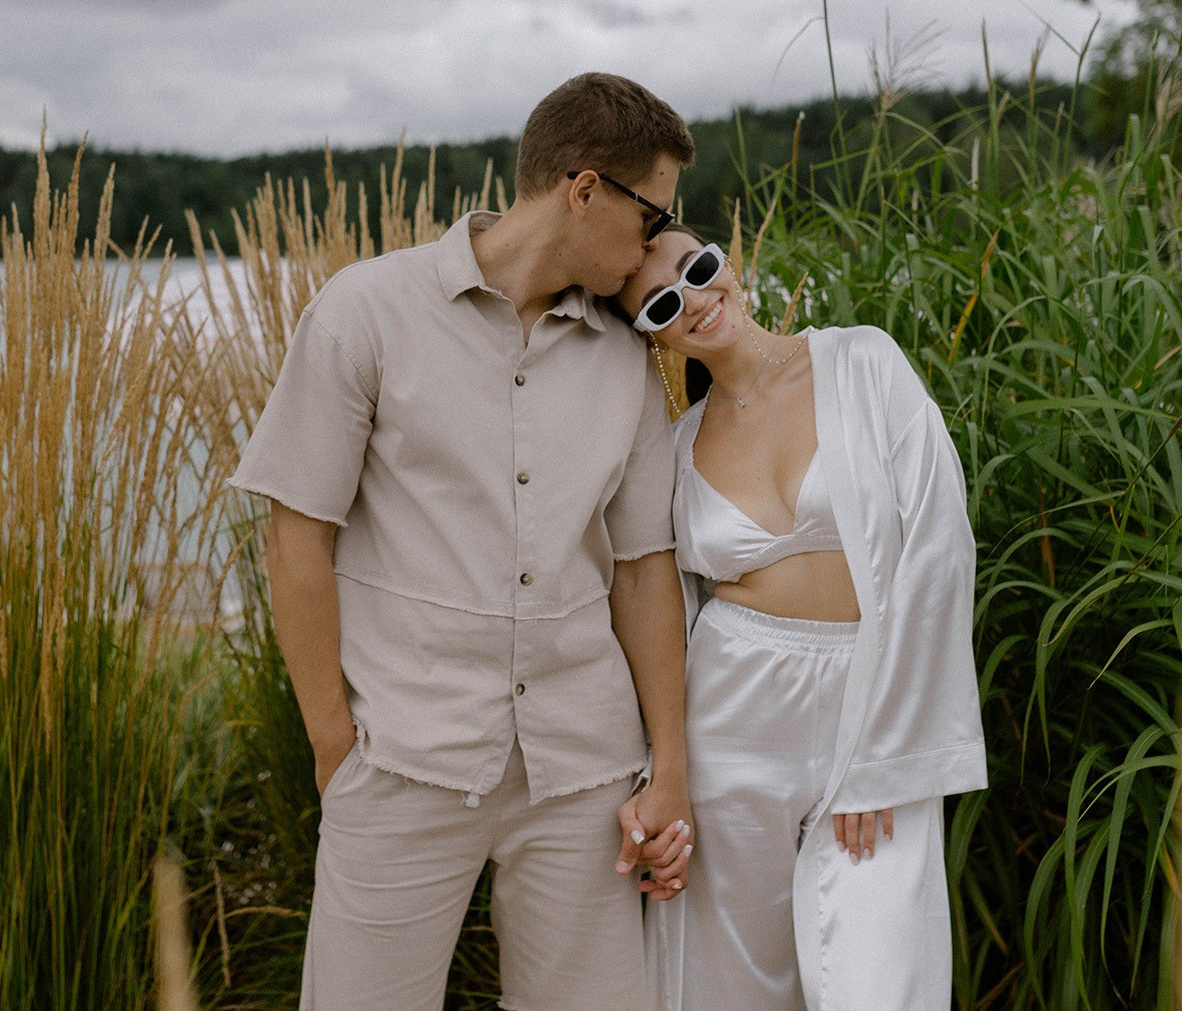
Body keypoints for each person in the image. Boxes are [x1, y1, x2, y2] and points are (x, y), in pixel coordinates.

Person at [230, 73, 702, 1011]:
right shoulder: (365, 312)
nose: (655, 247)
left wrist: (671, 768)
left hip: (584, 773)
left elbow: (644, 572)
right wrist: (335, 745)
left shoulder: (626, 361)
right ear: (585, 189)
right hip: (403, 757)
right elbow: (295, 538)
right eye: (652, 217)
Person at [612, 225, 987, 1010]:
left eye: (699, 268)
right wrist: (661, 772)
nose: (694, 300)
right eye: (660, 304)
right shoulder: (677, 447)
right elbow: (664, 608)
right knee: (731, 977)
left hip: (874, 703)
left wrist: (884, 753)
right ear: (650, 333)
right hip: (733, 715)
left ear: (730, 261)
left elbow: (939, 545)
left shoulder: (862, 361)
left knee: (883, 975)